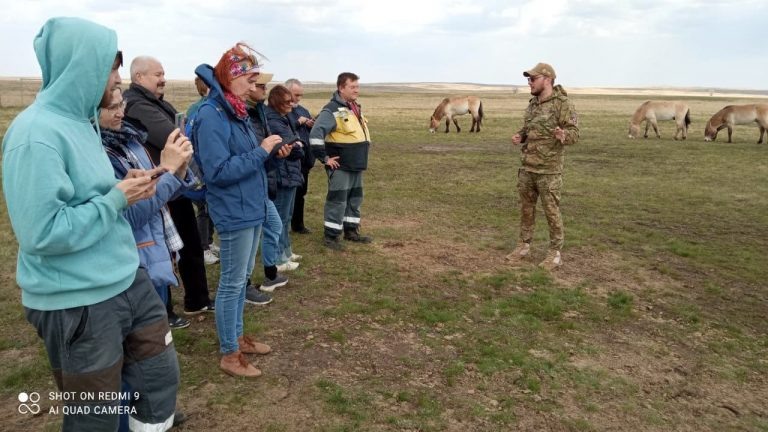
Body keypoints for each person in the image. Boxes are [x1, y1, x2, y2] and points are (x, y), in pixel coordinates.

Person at [2, 17, 179, 430]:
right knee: (95, 419)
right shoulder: (36, 134)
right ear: (81, 66)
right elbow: (41, 233)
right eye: (110, 67)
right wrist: (116, 198)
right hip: (77, 302)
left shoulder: (82, 123)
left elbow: (89, 194)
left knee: (158, 382)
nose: (117, 78)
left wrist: (123, 186)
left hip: (126, 278)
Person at [192, 43, 286, 377]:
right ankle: (230, 353)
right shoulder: (211, 115)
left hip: (250, 207)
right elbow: (217, 172)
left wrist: (269, 151)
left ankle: (237, 337)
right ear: (232, 78)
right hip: (234, 210)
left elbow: (243, 157)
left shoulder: (234, 109)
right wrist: (261, 151)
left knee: (241, 278)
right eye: (249, 78)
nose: (254, 85)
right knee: (232, 284)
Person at [123, 56, 214, 320]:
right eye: (157, 74)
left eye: (163, 73)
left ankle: (196, 299)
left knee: (189, 243)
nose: (163, 78)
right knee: (162, 250)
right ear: (139, 77)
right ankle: (163, 312)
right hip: (155, 185)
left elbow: (180, 129)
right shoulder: (138, 105)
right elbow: (174, 135)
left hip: (174, 182)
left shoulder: (157, 103)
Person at [508, 62, 579, 270]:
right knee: (526, 210)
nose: (529, 83)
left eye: (533, 79)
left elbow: (575, 133)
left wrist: (563, 135)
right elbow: (529, 128)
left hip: (549, 171)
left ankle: (555, 253)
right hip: (528, 168)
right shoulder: (533, 104)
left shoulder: (562, 104)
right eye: (528, 79)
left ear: (547, 80)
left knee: (551, 212)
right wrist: (520, 136)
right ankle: (523, 246)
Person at [309, 72, 373, 250]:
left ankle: (351, 231)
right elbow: (315, 134)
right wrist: (324, 158)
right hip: (341, 166)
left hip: (356, 164)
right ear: (341, 88)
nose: (356, 90)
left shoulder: (354, 108)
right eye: (352, 87)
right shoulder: (331, 110)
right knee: (337, 201)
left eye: (357, 86)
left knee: (355, 199)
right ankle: (331, 237)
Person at [266, 85, 305, 268]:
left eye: (292, 100)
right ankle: (279, 259)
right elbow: (293, 147)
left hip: (290, 173)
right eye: (288, 101)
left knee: (287, 216)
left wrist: (297, 144)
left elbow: (297, 141)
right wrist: (296, 145)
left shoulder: (284, 118)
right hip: (283, 174)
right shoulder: (274, 121)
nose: (292, 103)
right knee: (280, 218)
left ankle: (286, 252)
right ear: (277, 102)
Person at [186, 77, 220, 266]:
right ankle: (203, 247)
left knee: (209, 206)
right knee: (203, 208)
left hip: (204, 165)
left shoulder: (200, 107)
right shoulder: (200, 109)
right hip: (199, 166)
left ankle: (209, 241)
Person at [285, 78, 316, 234]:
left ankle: (298, 225)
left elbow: (309, 132)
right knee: (288, 196)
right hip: (290, 161)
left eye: (300, 95)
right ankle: (284, 224)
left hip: (304, 161)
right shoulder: (282, 111)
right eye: (295, 94)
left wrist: (310, 124)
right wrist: (298, 122)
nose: (297, 98)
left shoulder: (303, 110)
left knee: (301, 194)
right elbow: (283, 130)